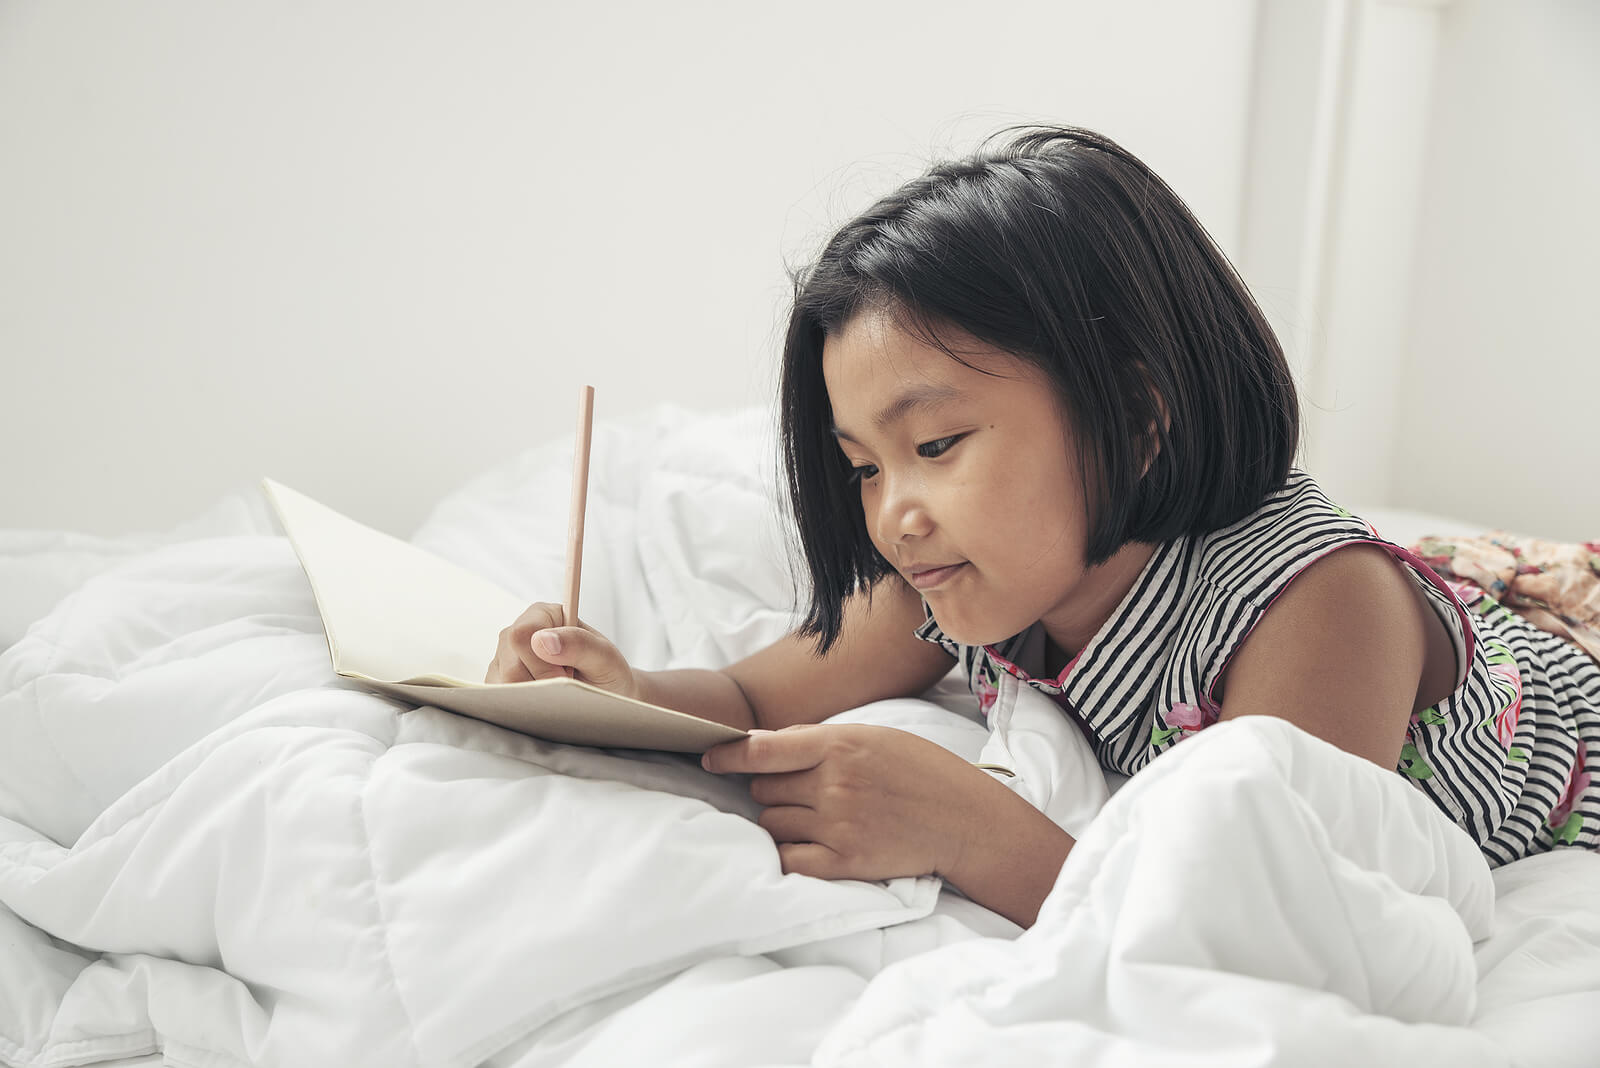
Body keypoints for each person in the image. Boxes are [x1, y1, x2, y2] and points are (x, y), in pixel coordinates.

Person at [486, 125, 1598, 928]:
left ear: (1134, 414)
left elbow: (1275, 924)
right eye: (862, 468)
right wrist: (614, 692)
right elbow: (750, 699)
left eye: (933, 447)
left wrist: (970, 831)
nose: (892, 513)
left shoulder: (1315, 610)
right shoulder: (961, 574)